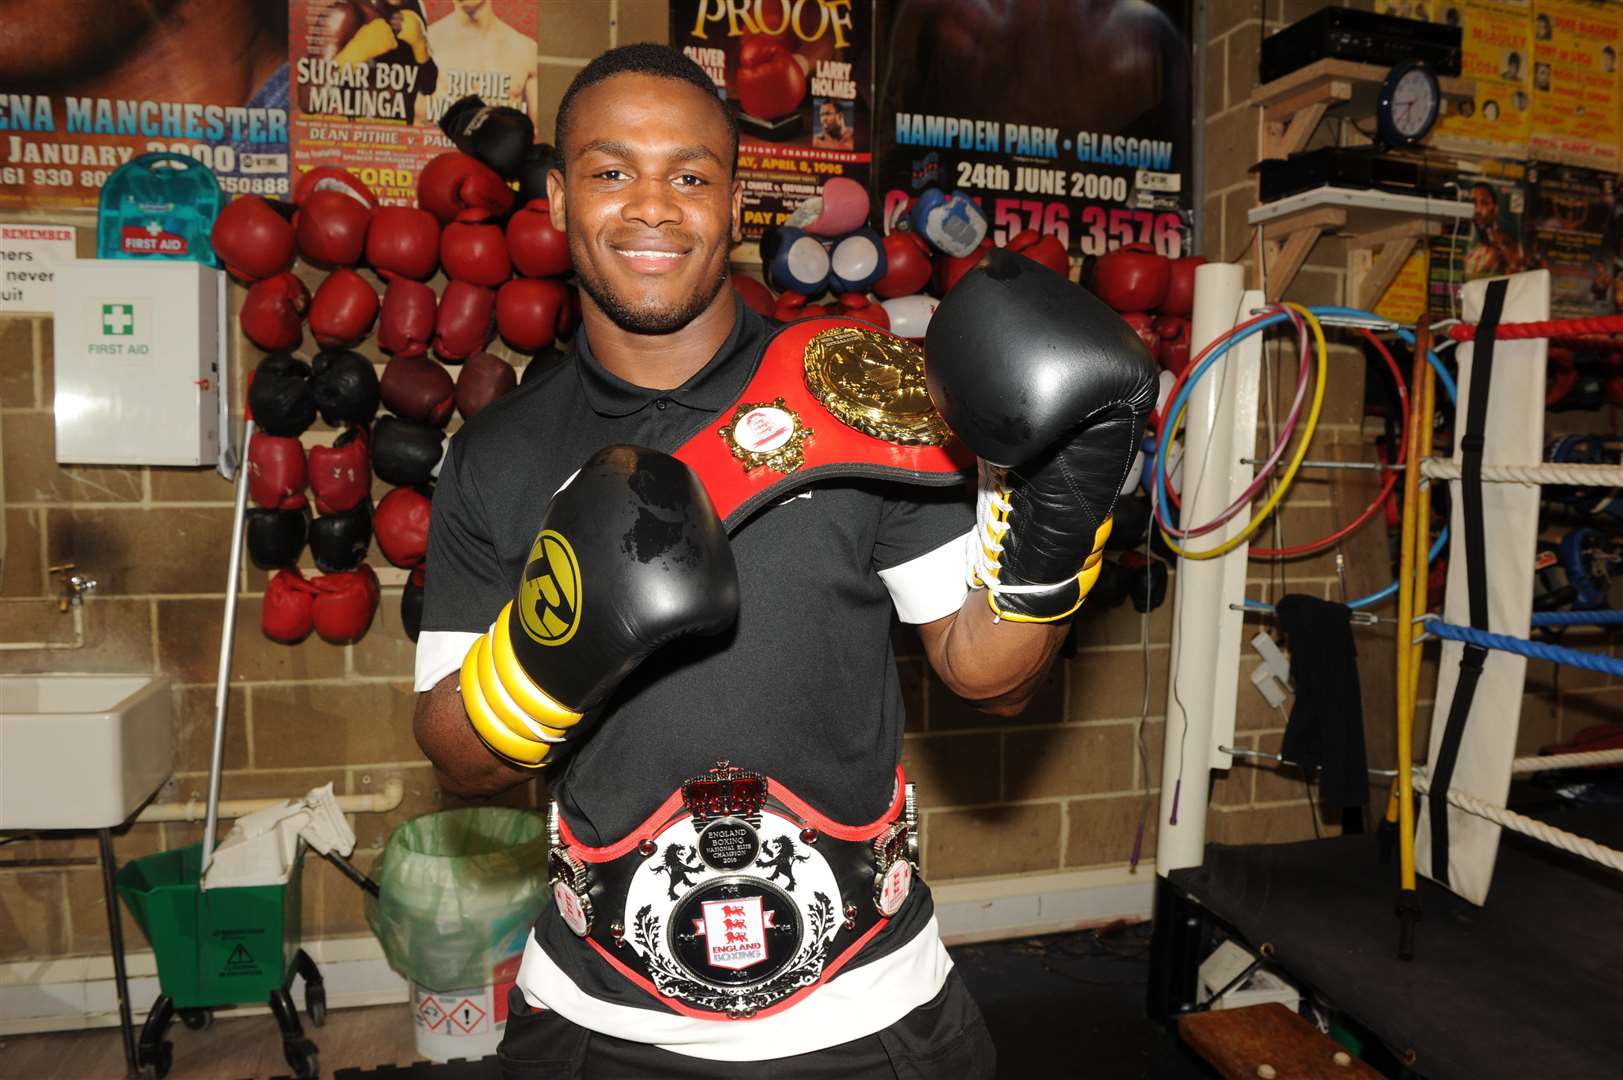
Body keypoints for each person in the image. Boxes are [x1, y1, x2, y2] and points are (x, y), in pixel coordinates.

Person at [413, 43, 1151, 1079]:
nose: (654, 208)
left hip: (873, 1009)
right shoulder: (498, 455)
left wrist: (1060, 512)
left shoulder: (853, 394)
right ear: (554, 196)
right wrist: (547, 653)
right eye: (612, 171)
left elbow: (990, 677)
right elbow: (456, 754)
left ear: (734, 199)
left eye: (691, 175)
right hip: (592, 1020)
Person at [425, 0, 539, 130]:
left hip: (500, 146)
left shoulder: (525, 49)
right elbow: (413, 126)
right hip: (440, 147)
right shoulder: (425, 44)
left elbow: (535, 131)